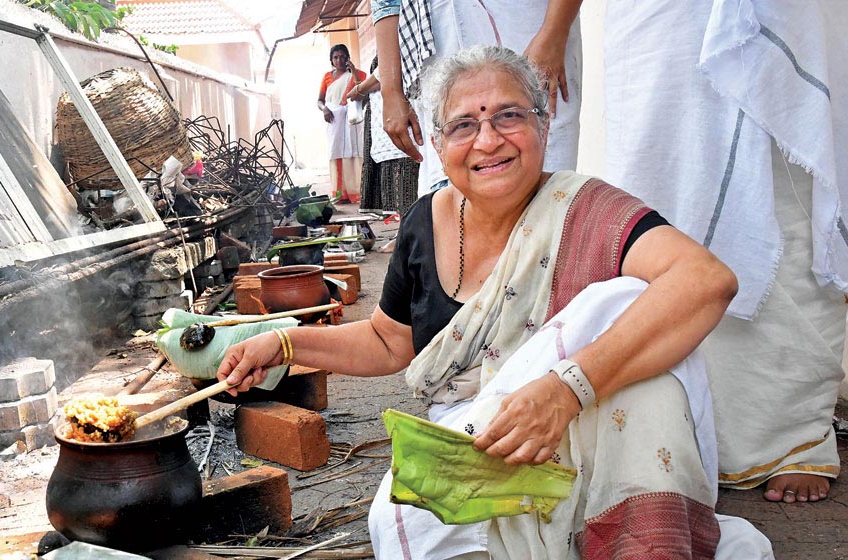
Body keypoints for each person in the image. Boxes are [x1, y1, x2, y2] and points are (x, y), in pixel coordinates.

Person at [219, 45, 771, 557]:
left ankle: (640, 536)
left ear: (542, 124)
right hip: (478, 439)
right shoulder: (423, 223)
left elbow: (706, 280)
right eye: (464, 125)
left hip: (583, 423)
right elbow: (389, 340)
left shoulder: (585, 210)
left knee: (628, 305)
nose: (488, 141)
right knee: (400, 518)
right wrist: (286, 342)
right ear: (438, 145)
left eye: (509, 115)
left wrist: (567, 389)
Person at [604, 0, 846, 504]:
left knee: (789, 208)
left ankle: (793, 437)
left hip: (788, 16)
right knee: (662, 201)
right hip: (659, 28)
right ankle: (670, 432)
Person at [371, 0, 583, 198]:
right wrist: (390, 90)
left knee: (543, 194)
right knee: (455, 197)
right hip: (437, 39)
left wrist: (554, 32)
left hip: (529, 29)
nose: (488, 142)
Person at [351, 56, 420, 216]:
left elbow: (387, 69)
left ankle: (409, 235)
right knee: (400, 195)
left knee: (408, 188)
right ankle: (404, 233)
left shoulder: (398, 43)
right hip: (386, 129)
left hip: (403, 119)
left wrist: (360, 89)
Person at [318, 44, 367, 204]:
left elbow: (363, 92)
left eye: (342, 56)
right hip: (334, 121)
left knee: (354, 153)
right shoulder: (327, 77)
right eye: (336, 57)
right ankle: (340, 193)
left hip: (352, 120)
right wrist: (325, 109)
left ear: (348, 58)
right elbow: (319, 100)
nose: (339, 60)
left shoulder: (358, 74)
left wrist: (353, 71)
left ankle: (356, 192)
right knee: (336, 152)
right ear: (331, 60)